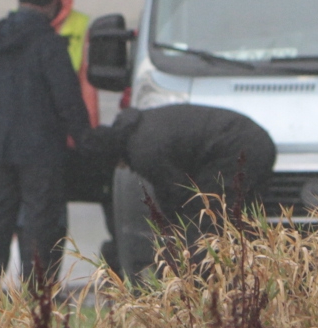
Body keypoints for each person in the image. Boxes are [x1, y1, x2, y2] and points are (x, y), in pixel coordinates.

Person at [0, 0, 93, 290]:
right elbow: (67, 98)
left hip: (1, 142)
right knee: (40, 220)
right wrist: (86, 141)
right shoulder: (48, 44)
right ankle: (37, 288)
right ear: (52, 3)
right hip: (41, 147)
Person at [117, 102, 277, 238]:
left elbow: (175, 193)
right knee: (236, 220)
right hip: (252, 141)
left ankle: (201, 271)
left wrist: (173, 229)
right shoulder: (138, 127)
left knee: (206, 225)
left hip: (236, 149)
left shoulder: (143, 150)